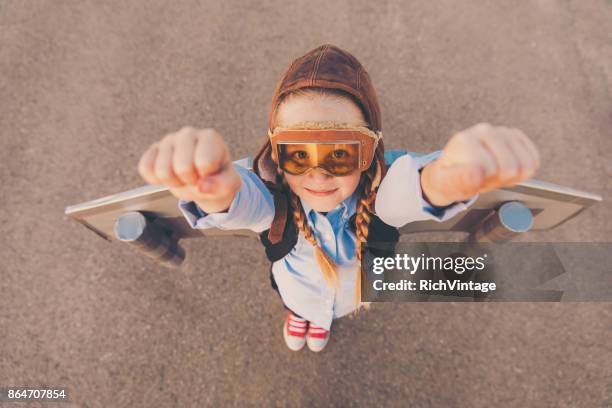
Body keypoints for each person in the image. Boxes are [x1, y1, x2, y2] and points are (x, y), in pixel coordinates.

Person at [137, 44, 540, 352]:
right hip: (297, 291)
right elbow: (246, 201)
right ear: (275, 153)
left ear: (370, 153)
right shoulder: (276, 194)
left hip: (350, 296)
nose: (319, 173)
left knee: (328, 316)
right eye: (298, 153)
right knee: (298, 307)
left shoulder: (382, 185)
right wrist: (217, 191)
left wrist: (447, 179)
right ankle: (301, 317)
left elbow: (405, 191)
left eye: (341, 154)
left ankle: (322, 322)